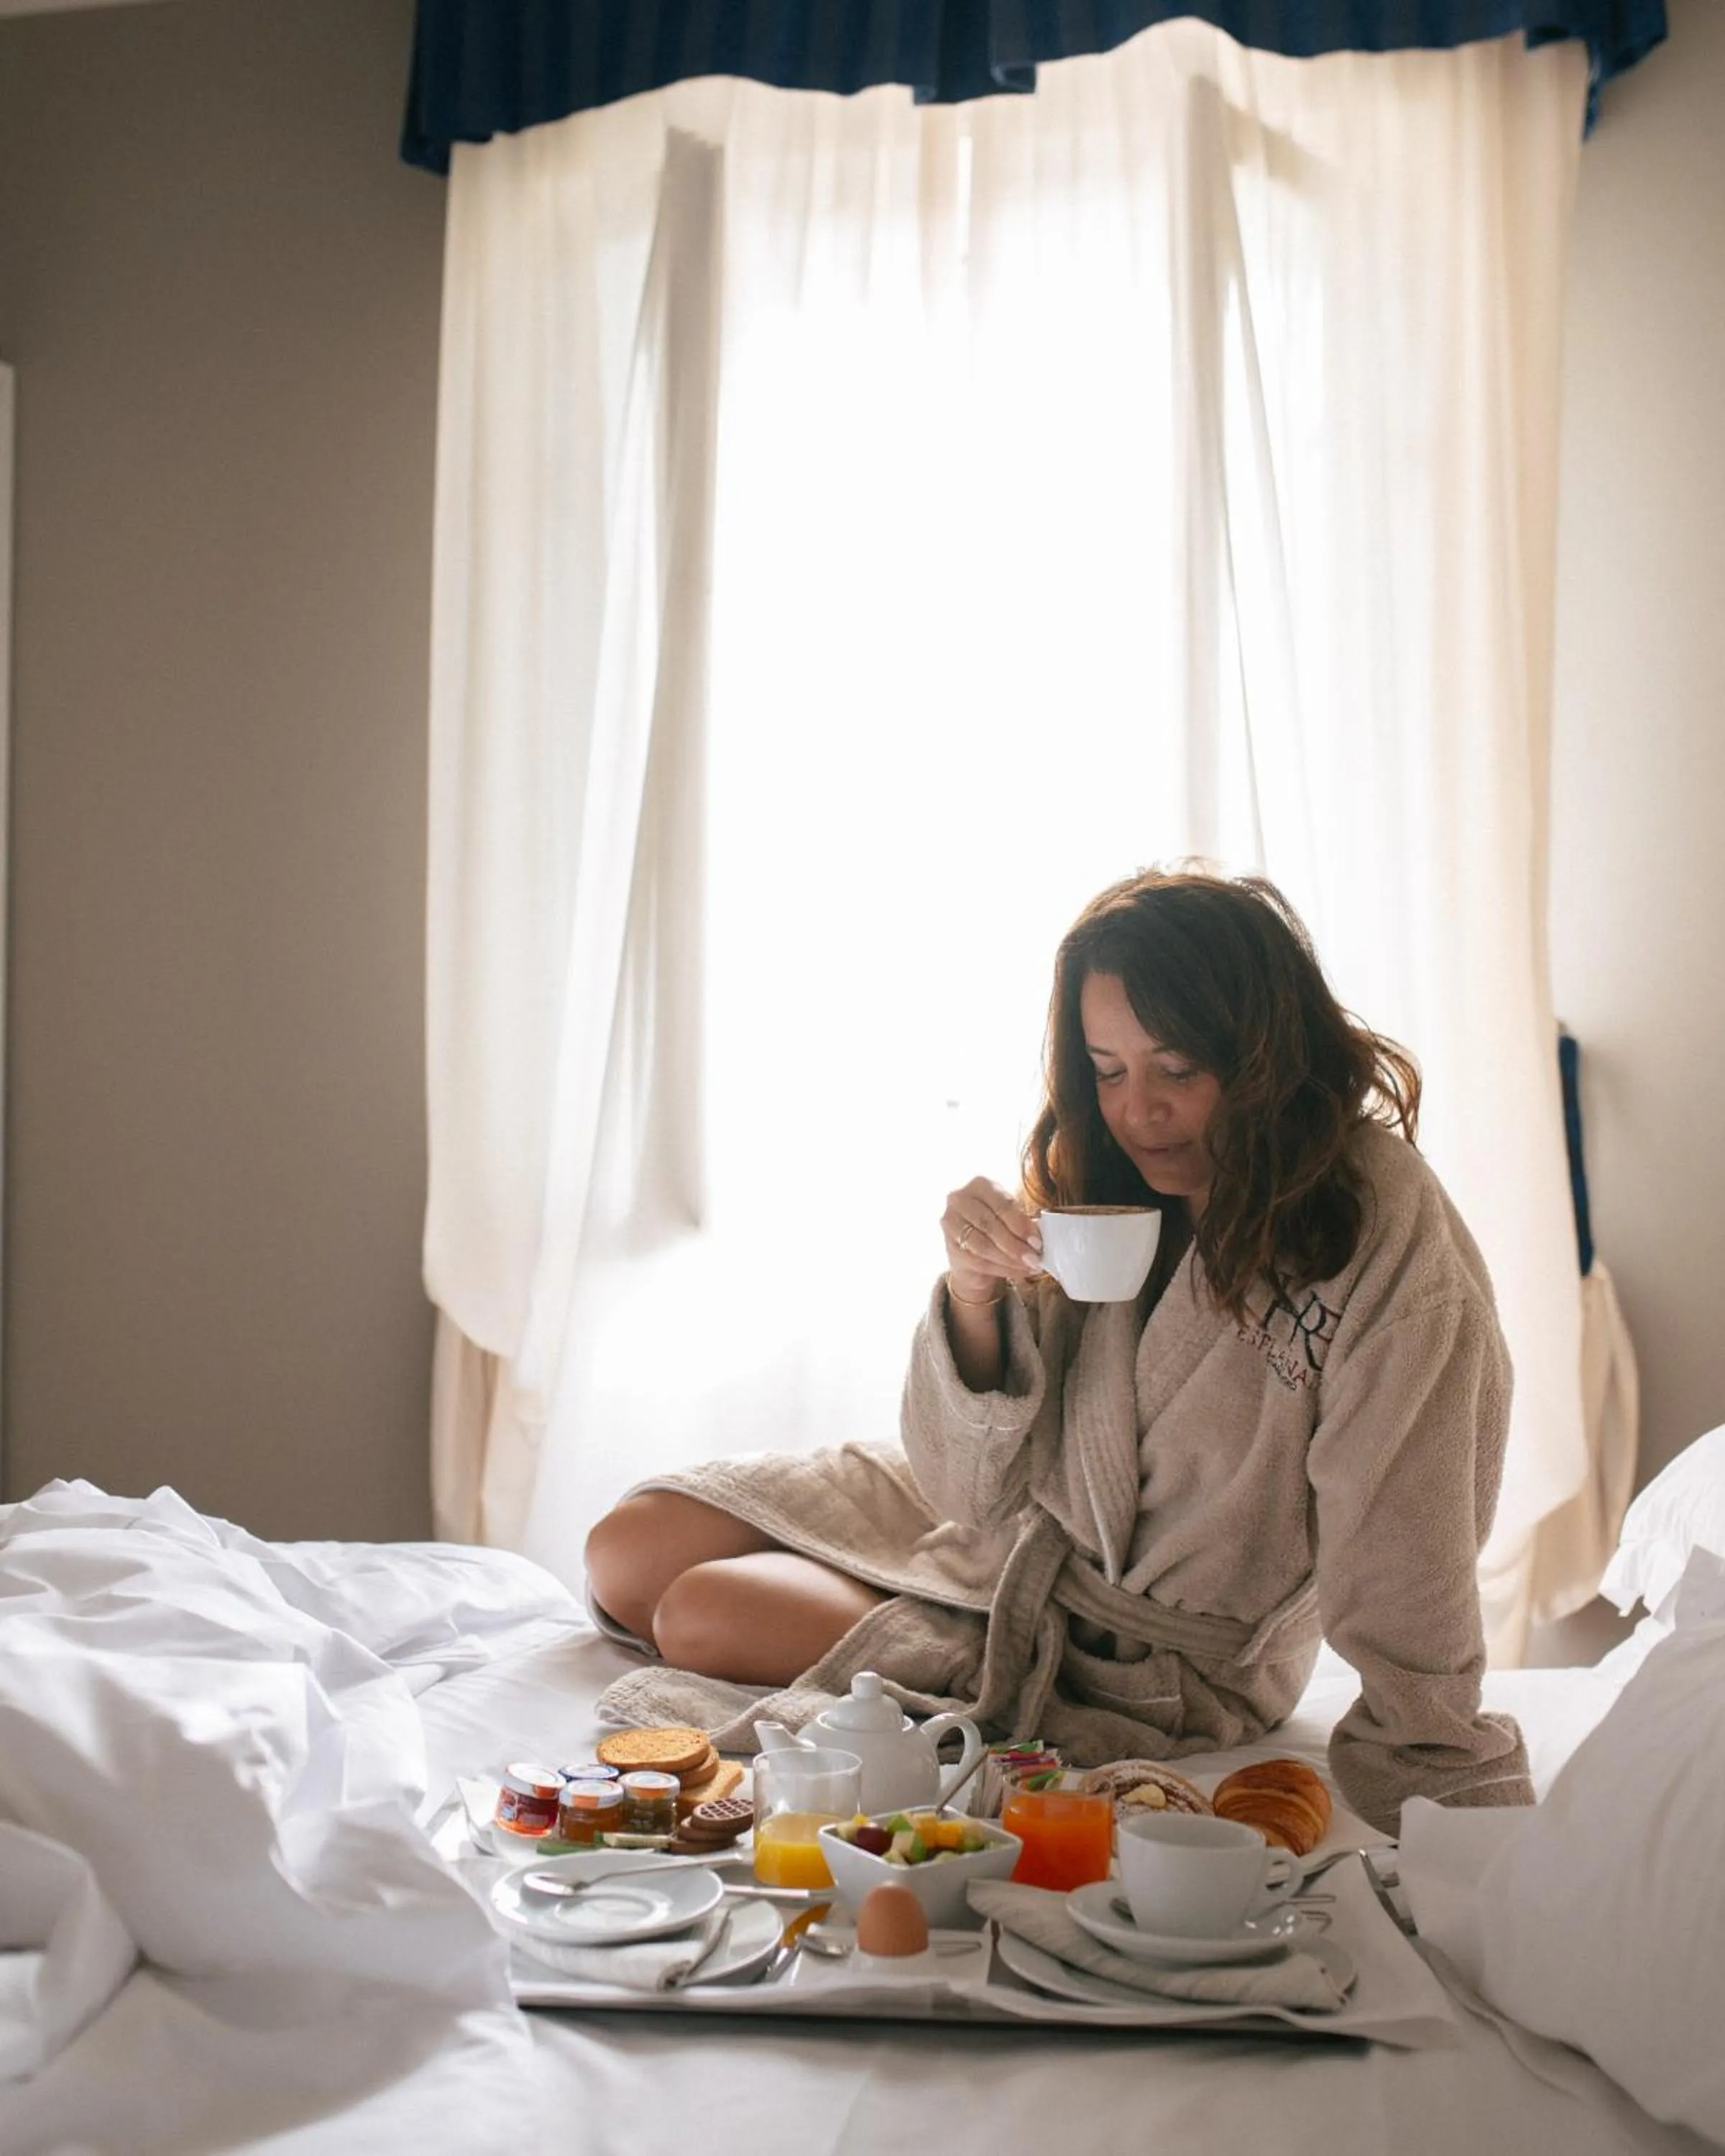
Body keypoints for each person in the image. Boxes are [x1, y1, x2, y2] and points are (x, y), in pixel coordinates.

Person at [584, 867, 1533, 1831]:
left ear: (1264, 1055)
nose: (1139, 1112)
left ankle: (916, 1625)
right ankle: (885, 1585)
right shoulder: (1111, 1171)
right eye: (1108, 1070)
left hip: (1130, 1652)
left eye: (1179, 1070)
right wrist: (974, 1293)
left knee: (697, 1613)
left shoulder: (1375, 1232)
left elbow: (1407, 1518)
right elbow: (971, 1486)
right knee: (626, 1549)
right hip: (1005, 1512)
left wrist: (1435, 1753)